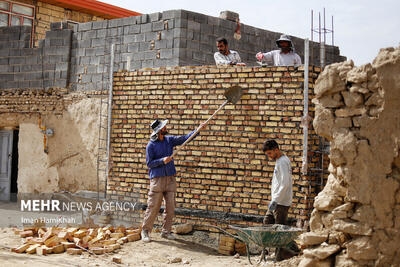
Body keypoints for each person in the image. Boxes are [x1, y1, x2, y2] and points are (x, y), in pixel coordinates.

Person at [141, 119, 203, 242]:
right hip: (157, 180)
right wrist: (161, 161)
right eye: (164, 127)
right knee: (153, 207)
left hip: (170, 178)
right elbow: (149, 164)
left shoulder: (169, 140)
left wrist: (197, 131)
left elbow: (184, 138)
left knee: (170, 207)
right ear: (159, 130)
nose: (166, 128)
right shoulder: (151, 145)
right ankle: (145, 231)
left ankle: (166, 231)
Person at [262, 139, 298, 261]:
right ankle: (272, 252)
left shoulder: (282, 162)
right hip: (277, 201)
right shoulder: (280, 160)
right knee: (267, 222)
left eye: (270, 153)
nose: (269, 157)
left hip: (281, 203)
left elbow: (285, 184)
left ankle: (281, 257)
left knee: (280, 230)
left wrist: (275, 200)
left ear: (276, 149)